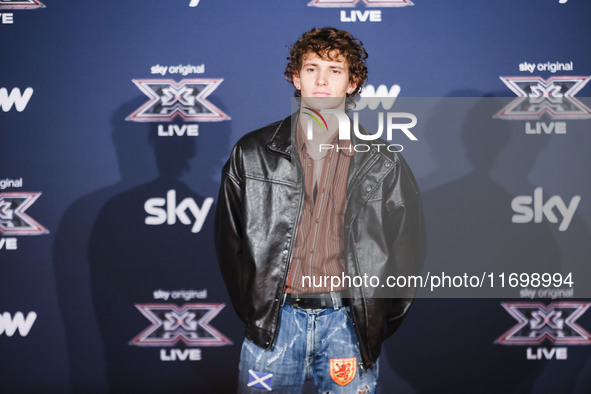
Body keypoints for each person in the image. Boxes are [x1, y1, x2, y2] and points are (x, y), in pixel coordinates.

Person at [215, 27, 426, 393]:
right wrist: (259, 311)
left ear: (352, 81)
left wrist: (370, 321)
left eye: (335, 70)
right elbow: (229, 245)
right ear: (297, 78)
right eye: (312, 69)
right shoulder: (252, 154)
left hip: (347, 325)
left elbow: (407, 252)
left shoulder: (383, 162)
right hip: (275, 323)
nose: (322, 80)